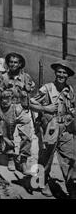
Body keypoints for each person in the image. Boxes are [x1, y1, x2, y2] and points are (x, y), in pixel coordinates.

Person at [30, 61, 76, 198]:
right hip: (50, 127)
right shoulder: (47, 88)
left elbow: (71, 106)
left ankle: (72, 186)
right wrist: (45, 108)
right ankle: (41, 183)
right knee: (46, 158)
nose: (61, 75)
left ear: (68, 75)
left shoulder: (70, 89)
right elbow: (31, 104)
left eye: (64, 72)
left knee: (70, 158)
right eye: (59, 72)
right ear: (55, 73)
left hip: (66, 128)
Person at [0, 53, 35, 174]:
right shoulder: (3, 77)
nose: (13, 64)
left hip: (22, 108)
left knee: (27, 136)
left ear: (20, 64)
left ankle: (23, 160)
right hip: (8, 108)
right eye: (11, 62)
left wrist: (26, 90)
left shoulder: (26, 77)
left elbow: (30, 90)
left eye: (16, 62)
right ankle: (11, 157)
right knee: (8, 135)